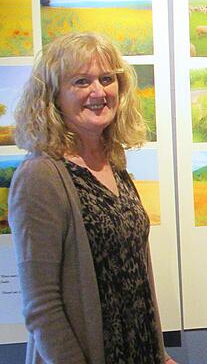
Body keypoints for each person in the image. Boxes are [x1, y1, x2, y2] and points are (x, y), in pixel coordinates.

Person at [9, 32, 177, 364]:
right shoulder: (40, 176)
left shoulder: (114, 164)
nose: (98, 92)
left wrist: (159, 353)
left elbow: (136, 275)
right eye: (81, 81)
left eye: (106, 79)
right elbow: (41, 306)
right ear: (53, 96)